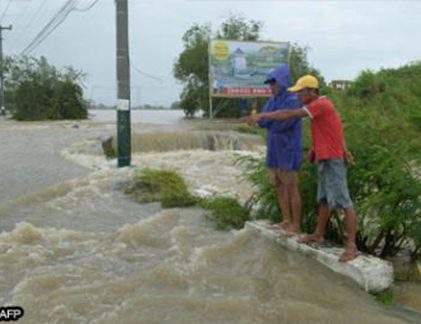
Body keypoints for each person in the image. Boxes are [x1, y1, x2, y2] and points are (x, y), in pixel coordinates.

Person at [243, 75, 359, 262]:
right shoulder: (320, 107)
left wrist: (262, 115)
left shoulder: (321, 105)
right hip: (326, 157)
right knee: (323, 200)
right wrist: (320, 149)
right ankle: (319, 234)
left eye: (300, 92)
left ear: (311, 92)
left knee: (345, 203)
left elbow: (288, 115)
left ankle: (352, 247)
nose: (297, 95)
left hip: (332, 160)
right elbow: (336, 128)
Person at [256, 64, 303, 235]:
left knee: (291, 187)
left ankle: (295, 225)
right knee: (278, 186)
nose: (271, 86)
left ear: (282, 81)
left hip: (288, 149)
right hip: (274, 150)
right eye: (269, 83)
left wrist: (270, 119)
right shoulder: (272, 100)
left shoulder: (293, 100)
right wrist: (270, 119)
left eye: (273, 82)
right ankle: (286, 220)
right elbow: (262, 122)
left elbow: (284, 122)